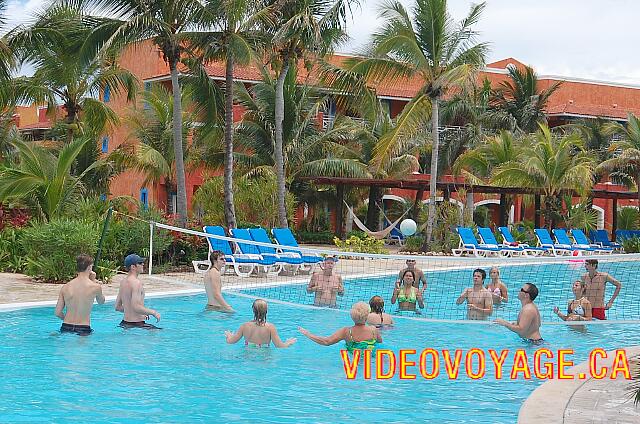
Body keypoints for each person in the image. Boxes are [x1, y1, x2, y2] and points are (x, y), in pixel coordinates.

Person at [298, 302, 382, 352]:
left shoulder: (346, 332)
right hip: (371, 360)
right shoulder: (373, 330)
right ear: (367, 315)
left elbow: (326, 341)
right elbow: (380, 343)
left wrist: (308, 334)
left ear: (352, 316)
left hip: (353, 361)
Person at [54, 254, 105, 336]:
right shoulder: (95, 287)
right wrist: (92, 280)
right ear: (89, 268)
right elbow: (101, 302)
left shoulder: (66, 287)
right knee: (82, 349)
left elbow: (57, 312)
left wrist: (67, 320)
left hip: (66, 326)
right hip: (83, 328)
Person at [115, 254, 161, 329]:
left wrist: (142, 312)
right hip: (137, 325)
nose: (143, 264)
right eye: (140, 263)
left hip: (124, 324)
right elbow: (136, 306)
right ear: (133, 267)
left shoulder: (123, 282)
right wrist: (153, 312)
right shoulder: (136, 283)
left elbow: (117, 307)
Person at [225, 299, 296, 348]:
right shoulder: (270, 327)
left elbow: (231, 342)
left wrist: (229, 336)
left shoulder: (244, 325)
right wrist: (288, 342)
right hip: (264, 357)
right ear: (266, 311)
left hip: (247, 355)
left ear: (253, 310)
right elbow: (279, 346)